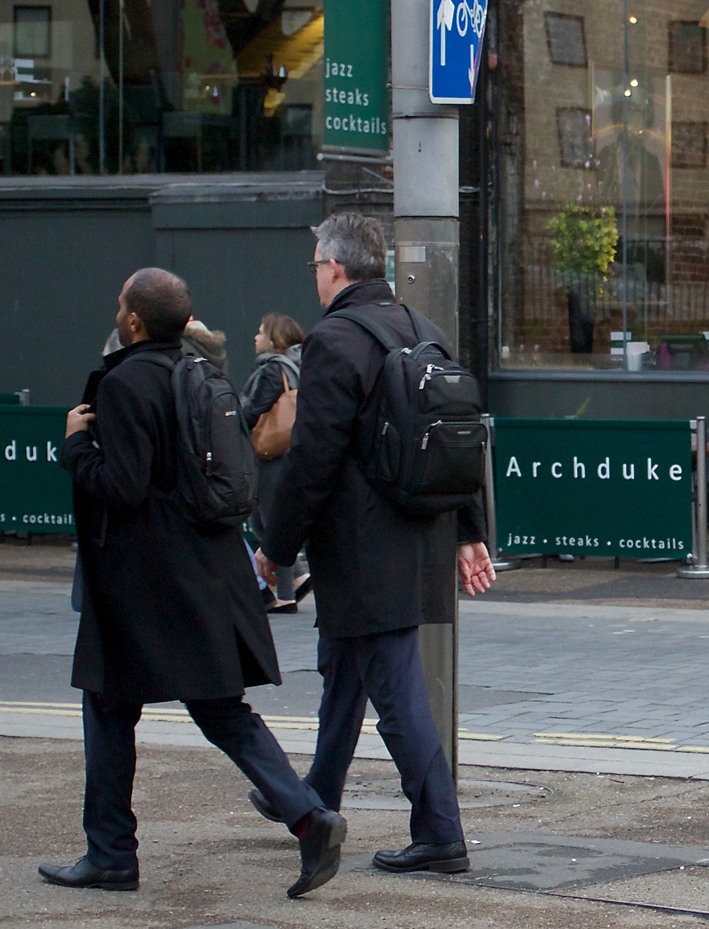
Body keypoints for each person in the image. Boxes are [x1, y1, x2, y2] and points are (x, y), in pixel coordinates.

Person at [43, 267, 346, 898]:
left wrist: (75, 447)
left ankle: (110, 854)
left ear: (132, 321)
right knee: (220, 710)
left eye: (121, 304)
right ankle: (309, 816)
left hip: (140, 581)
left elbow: (122, 487)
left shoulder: (126, 383)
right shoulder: (203, 375)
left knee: (106, 705)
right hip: (207, 568)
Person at [253, 213, 496, 876]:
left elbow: (313, 458)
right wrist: (468, 533)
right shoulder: (423, 329)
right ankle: (310, 801)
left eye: (314, 264)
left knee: (395, 692)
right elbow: (460, 434)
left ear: (334, 268)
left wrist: (275, 545)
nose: (315, 275)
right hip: (421, 534)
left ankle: (441, 833)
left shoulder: (335, 340)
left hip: (363, 547)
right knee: (344, 675)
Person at [244, 311, 310, 613]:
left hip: (272, 453)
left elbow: (258, 408)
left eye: (260, 332)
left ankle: (283, 595)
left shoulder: (273, 370)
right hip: (284, 452)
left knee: (269, 521)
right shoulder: (294, 365)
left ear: (274, 338)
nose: (256, 338)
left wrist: (236, 420)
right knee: (263, 519)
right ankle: (296, 577)